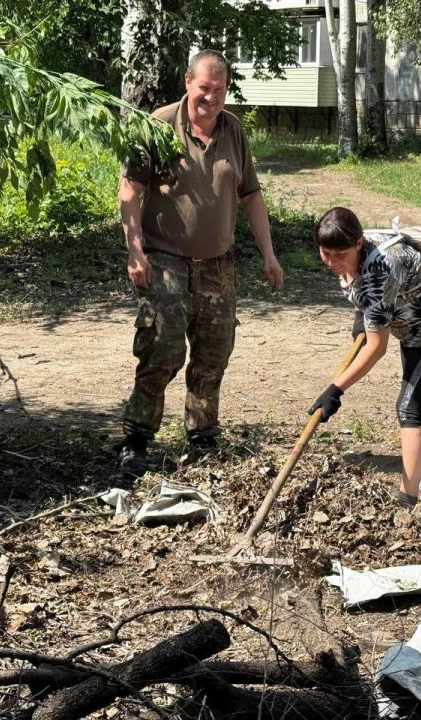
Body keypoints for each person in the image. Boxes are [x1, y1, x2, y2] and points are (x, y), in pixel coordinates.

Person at [117, 50, 284, 478]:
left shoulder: (233, 132)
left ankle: (203, 438)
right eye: (204, 88)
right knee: (161, 350)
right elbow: (130, 189)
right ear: (189, 83)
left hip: (217, 265)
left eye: (220, 89)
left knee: (213, 355)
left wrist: (268, 253)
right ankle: (137, 439)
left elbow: (251, 195)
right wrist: (134, 250)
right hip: (165, 260)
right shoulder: (158, 125)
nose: (211, 97)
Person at [310, 207, 421, 508]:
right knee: (420, 393)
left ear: (358, 243)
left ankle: (407, 499)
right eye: (325, 252)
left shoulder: (381, 272)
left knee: (409, 405)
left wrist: (335, 389)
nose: (331, 261)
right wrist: (362, 315)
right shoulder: (358, 248)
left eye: (339, 254)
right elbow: (361, 289)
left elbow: (376, 348)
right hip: (410, 321)